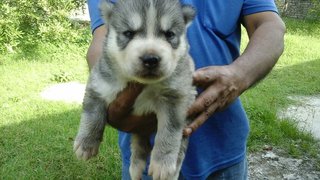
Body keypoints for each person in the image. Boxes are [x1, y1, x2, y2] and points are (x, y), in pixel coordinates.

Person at [86, 0, 285, 179]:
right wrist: (110, 100)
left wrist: (239, 75)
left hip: (224, 146)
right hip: (147, 150)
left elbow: (269, 25)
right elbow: (103, 37)